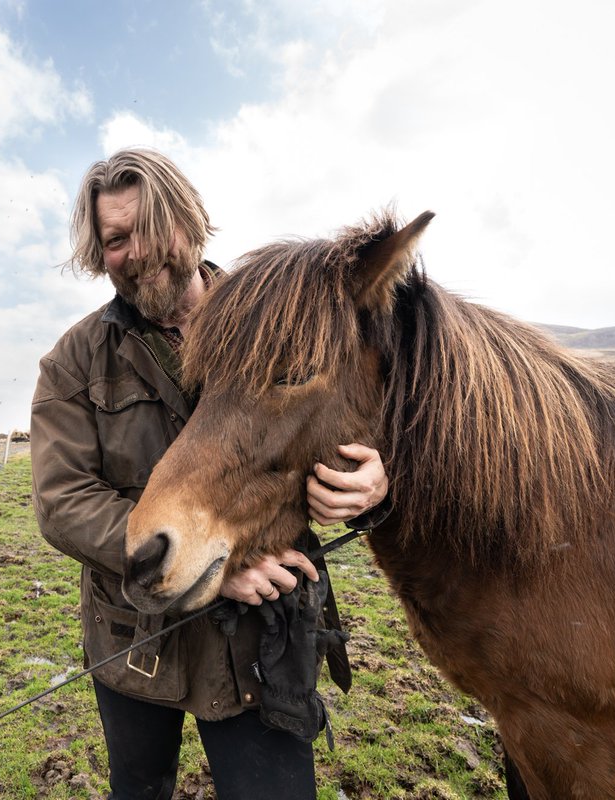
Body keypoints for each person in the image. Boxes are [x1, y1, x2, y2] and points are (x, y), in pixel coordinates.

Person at [30, 147, 389, 800]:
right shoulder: (73, 363)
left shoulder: (278, 316)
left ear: (190, 220)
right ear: (97, 253)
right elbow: (61, 501)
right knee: (142, 790)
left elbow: (353, 414)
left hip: (261, 636)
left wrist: (374, 484)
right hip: (138, 632)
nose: (136, 251)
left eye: (152, 225)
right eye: (115, 239)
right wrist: (211, 560)